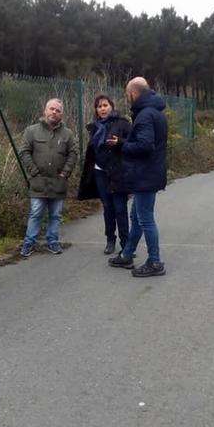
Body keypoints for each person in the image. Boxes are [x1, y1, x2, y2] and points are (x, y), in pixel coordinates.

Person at [108, 77, 168, 277]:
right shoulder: (155, 113)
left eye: (128, 94)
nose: (127, 98)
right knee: (137, 216)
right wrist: (123, 142)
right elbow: (146, 141)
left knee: (145, 219)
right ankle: (127, 254)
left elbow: (145, 145)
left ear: (134, 93)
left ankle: (155, 261)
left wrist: (122, 145)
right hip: (150, 173)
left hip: (145, 176)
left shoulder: (144, 115)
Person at [19, 98, 79, 257]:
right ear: (45, 111)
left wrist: (65, 173)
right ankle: (29, 242)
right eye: (51, 109)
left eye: (58, 110)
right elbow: (24, 152)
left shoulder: (68, 134)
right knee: (36, 213)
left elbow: (73, 154)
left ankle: (52, 241)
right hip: (38, 182)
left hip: (58, 183)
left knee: (56, 215)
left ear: (61, 114)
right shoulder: (31, 131)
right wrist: (34, 172)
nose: (54, 112)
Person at [77, 95, 132, 255]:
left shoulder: (123, 123)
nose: (102, 108)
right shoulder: (94, 127)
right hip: (99, 171)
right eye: (99, 106)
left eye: (105, 105)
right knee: (107, 207)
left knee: (120, 208)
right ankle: (110, 240)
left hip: (118, 172)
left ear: (111, 106)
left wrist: (119, 142)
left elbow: (132, 144)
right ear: (96, 110)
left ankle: (126, 243)